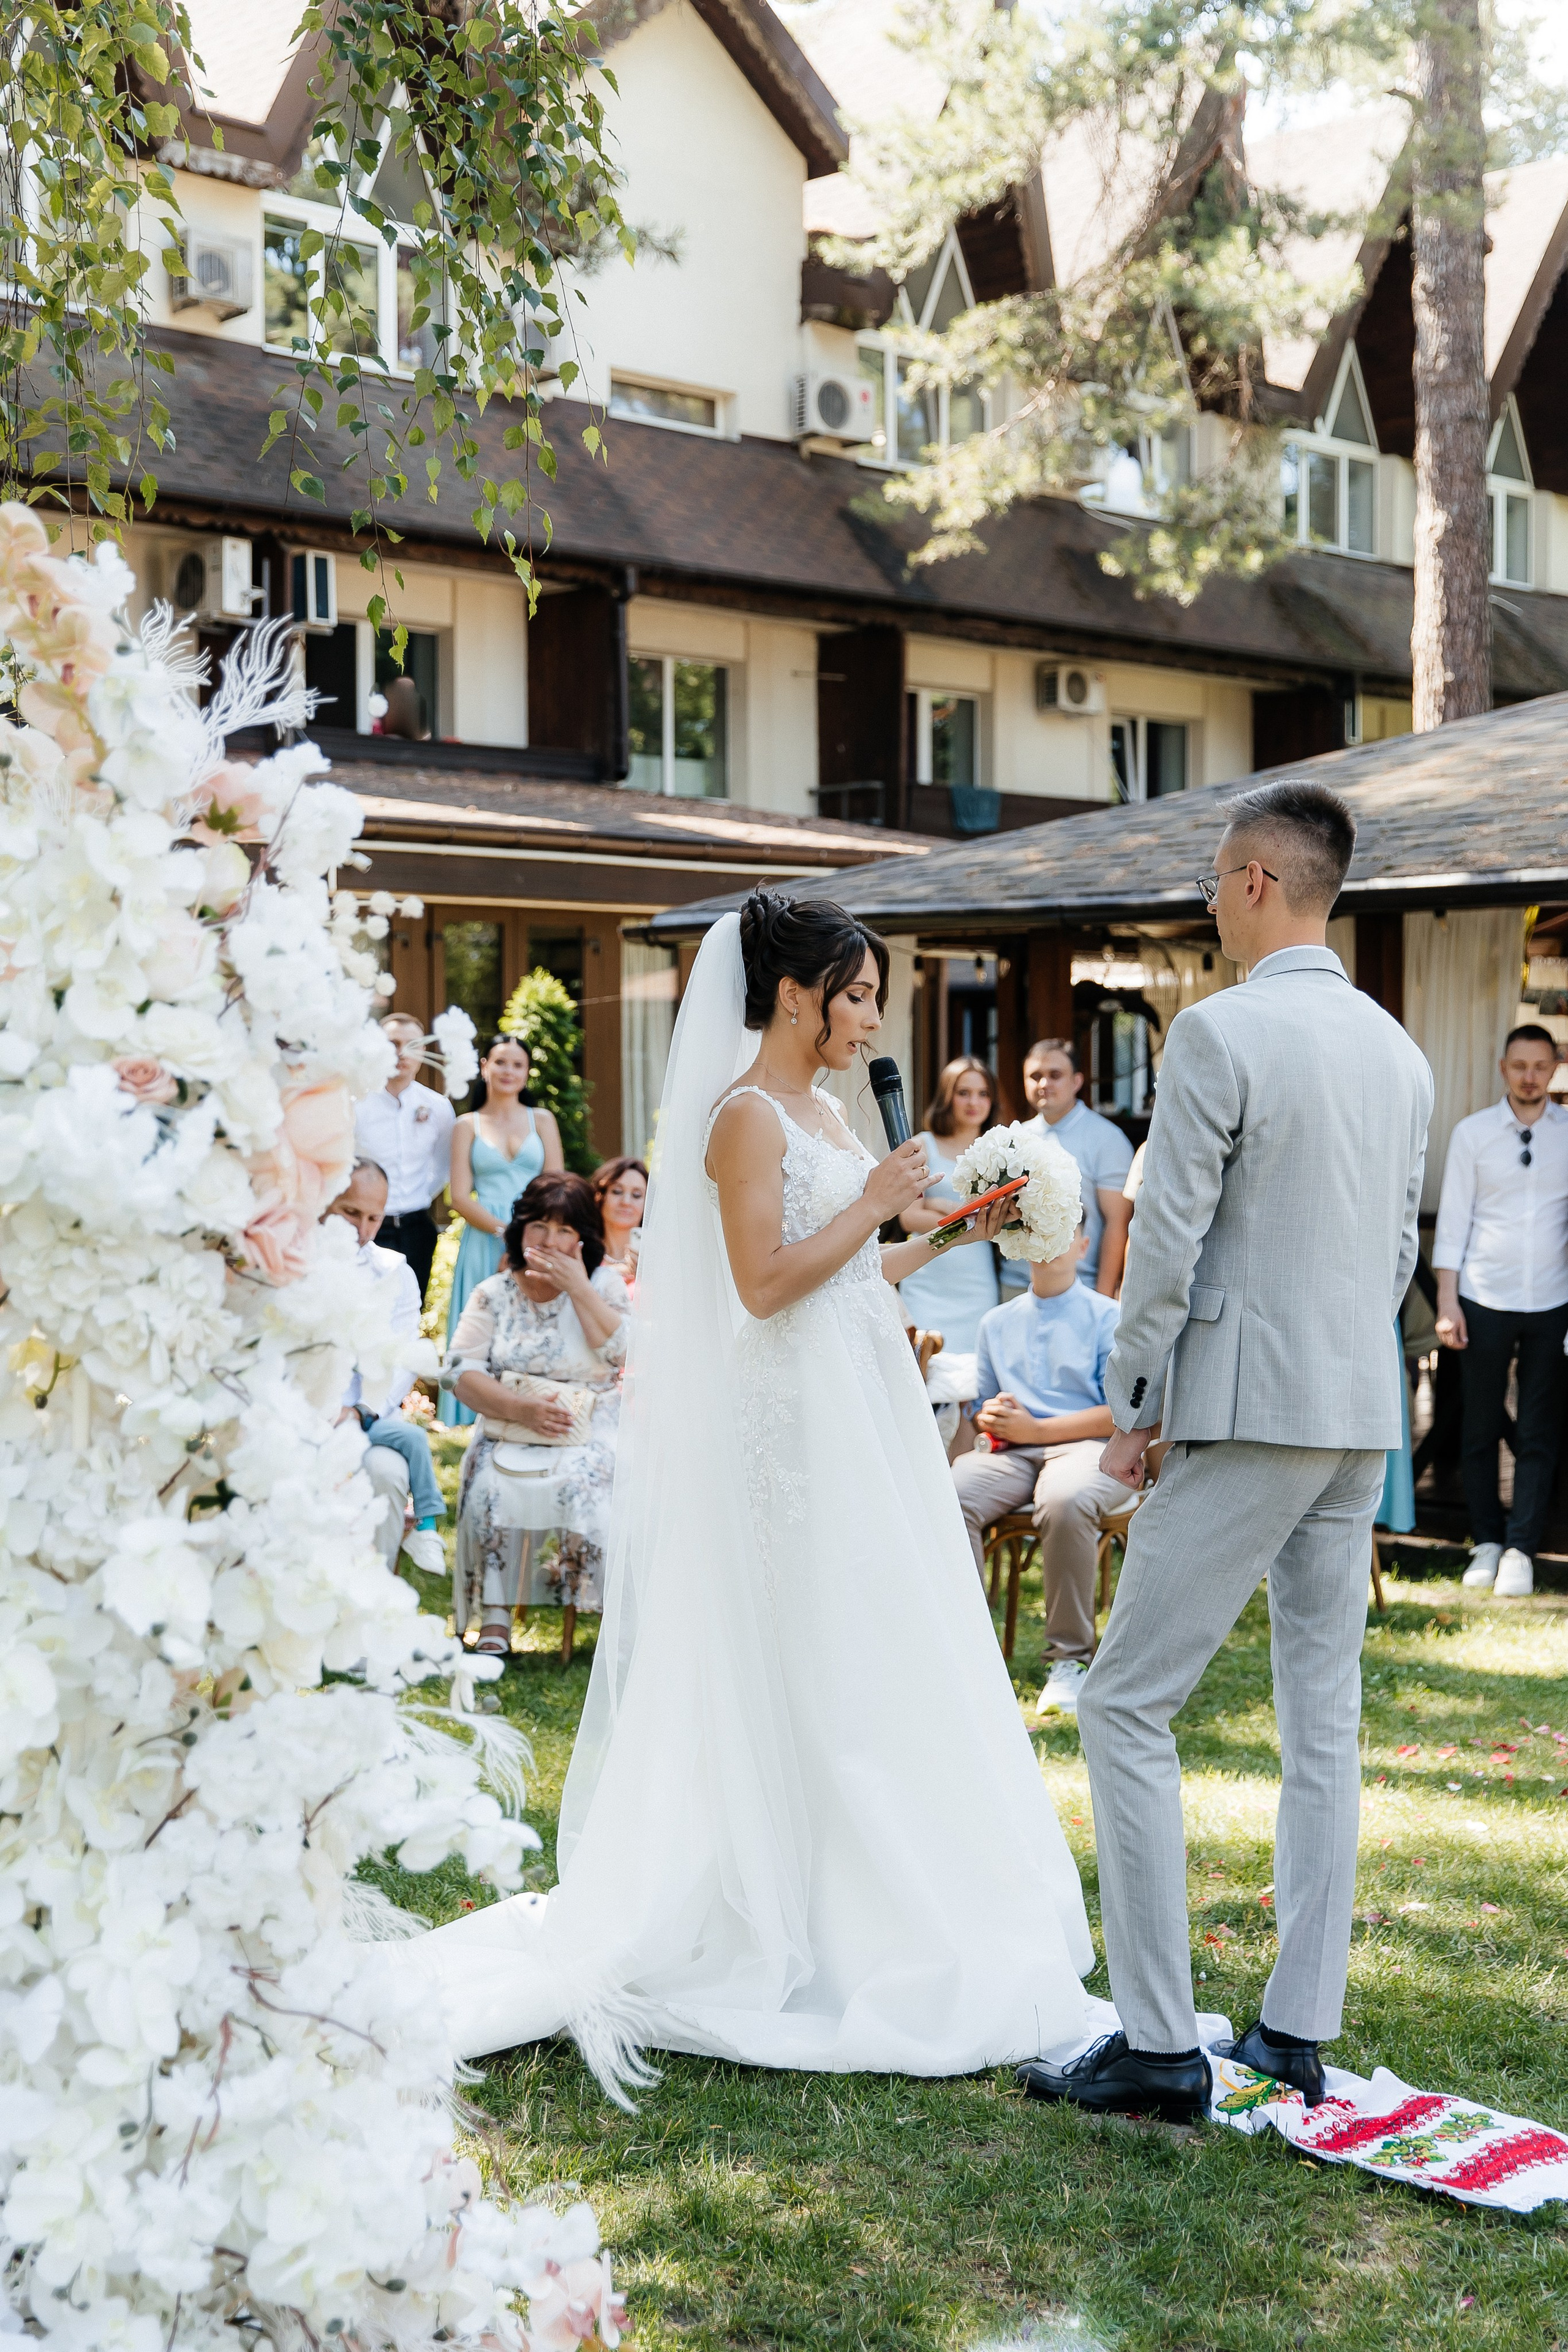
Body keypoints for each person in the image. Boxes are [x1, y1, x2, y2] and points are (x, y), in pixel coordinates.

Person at [393, 889, 1093, 2084]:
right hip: (789, 1421)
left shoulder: (822, 1105)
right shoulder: (739, 1119)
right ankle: (785, 1916)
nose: (872, 1017)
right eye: (857, 995)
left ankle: (878, 1906)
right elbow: (765, 1286)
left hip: (855, 1402)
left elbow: (857, 1271)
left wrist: (965, 1226)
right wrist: (875, 1204)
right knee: (807, 1645)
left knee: (875, 1642)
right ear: (792, 995)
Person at [1020, 778, 1431, 2124]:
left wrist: (1132, 1406)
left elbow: (1169, 1244)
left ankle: (1151, 2042)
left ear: (1258, 880)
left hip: (1247, 1408)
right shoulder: (1398, 1048)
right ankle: (1292, 2031)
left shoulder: (1217, 1034)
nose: (1206, 898)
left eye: (1212, 877)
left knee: (1124, 1701)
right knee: (1323, 1718)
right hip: (1351, 1409)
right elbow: (1392, 1258)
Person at [441, 1171, 629, 1660]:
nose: (551, 1241)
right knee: (490, 1487)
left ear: (584, 1236)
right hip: (511, 1422)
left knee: (588, 1485)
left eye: (566, 1230)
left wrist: (580, 1289)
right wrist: (521, 1409)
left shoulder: (603, 1282)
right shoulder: (494, 1292)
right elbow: (460, 1372)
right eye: (539, 1227)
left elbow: (621, 1353)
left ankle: (613, 1618)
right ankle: (496, 1620)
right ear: (519, 1230)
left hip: (589, 1428)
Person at [951, 1222, 1125, 1717]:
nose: (1050, 1243)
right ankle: (968, 1653)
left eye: (1064, 1233)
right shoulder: (996, 1322)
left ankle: (1068, 1660)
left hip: (1086, 1448)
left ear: (1083, 1246)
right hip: (1012, 1454)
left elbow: (1120, 1413)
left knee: (1066, 1500)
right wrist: (990, 1416)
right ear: (1021, 1245)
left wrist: (1036, 1431)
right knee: (949, 1494)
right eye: (1039, 1234)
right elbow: (982, 1407)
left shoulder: (1107, 1316)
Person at [1432, 1022, 1568, 1599]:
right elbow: (1454, 1221)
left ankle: (1521, 1548)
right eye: (1520, 1066)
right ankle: (1486, 1541)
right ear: (1503, 1067)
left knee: (1539, 1431)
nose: (1530, 1077)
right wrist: (1445, 1302)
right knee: (1479, 1425)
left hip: (1552, 1300)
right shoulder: (1473, 1134)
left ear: (1555, 1069)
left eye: (1541, 1066)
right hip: (1482, 1297)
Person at [326, 1158, 447, 1579]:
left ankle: (377, 1601)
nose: (362, 1229)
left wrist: (358, 1412)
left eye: (374, 1218)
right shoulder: (290, 1265)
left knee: (386, 1472)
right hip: (301, 1418)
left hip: (368, 1420)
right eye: (350, 1212)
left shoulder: (395, 1272)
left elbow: (399, 1360)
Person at [439, 1035, 564, 1427]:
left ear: (527, 1073)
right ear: (484, 1067)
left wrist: (531, 1234)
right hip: (484, 1237)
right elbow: (459, 1197)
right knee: (481, 1320)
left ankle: (529, 1400)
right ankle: (468, 1409)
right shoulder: (466, 1125)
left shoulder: (542, 1120)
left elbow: (556, 1184)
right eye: (501, 1063)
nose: (508, 1071)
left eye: (517, 1065)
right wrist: (505, 1233)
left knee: (532, 1317)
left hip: (538, 1237)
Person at [999, 1039, 1133, 1298]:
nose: (1044, 1084)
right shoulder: (1013, 1138)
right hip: (1016, 1284)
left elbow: (1118, 1224)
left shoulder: (1107, 1138)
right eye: (1035, 1076)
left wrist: (1103, 1297)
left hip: (1080, 1285)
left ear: (1077, 1082)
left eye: (1055, 1075)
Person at [895, 1055, 1003, 1352]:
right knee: (924, 1365)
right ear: (947, 1097)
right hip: (927, 1271)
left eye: (983, 1094)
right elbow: (909, 1218)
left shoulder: (1001, 1151)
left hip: (977, 1276)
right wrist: (966, 1218)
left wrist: (944, 1208)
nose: (974, 1102)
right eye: (963, 1093)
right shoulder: (923, 1145)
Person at [353, 1012, 456, 1302]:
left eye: (413, 1044)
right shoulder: (355, 1104)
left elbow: (443, 1166)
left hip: (417, 1227)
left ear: (424, 1051)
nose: (402, 1052)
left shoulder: (438, 1108)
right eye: (393, 1043)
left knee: (411, 1309)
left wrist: (417, 1196)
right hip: (366, 1228)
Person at [591, 1155, 648, 1283]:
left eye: (637, 1195)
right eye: (617, 1191)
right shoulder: (584, 1250)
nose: (626, 1202)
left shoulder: (656, 1255)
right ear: (600, 1196)